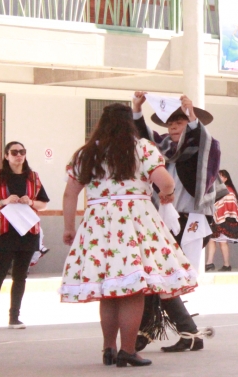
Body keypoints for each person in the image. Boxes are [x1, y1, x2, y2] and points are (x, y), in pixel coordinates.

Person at [60, 104, 197, 366]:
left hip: (98, 223)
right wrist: (166, 195)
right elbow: (166, 182)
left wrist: (68, 227)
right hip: (134, 222)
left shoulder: (87, 153)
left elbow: (70, 193)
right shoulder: (141, 148)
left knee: (109, 288)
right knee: (133, 289)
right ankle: (128, 350)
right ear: (128, 124)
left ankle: (108, 348)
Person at [132, 92, 221, 353]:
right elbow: (145, 138)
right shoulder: (160, 149)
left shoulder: (204, 146)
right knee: (160, 274)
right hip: (164, 220)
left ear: (191, 125)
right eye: (170, 122)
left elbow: (201, 139)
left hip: (191, 219)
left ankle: (151, 330)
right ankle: (188, 333)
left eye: (179, 122)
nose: (172, 126)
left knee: (161, 274)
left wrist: (192, 115)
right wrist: (136, 109)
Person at [0, 142, 50, 331]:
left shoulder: (33, 177)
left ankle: (14, 318)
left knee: (20, 276)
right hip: (2, 233)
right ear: (6, 155)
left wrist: (31, 201)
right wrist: (4, 201)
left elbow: (43, 204)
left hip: (27, 232)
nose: (19, 155)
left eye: (22, 152)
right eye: (14, 152)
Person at [205, 169, 238, 272]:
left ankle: (226, 265)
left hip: (225, 219)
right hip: (216, 217)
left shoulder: (228, 190)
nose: (218, 179)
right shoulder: (215, 189)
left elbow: (229, 204)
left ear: (226, 178)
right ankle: (209, 263)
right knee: (212, 240)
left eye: (221, 177)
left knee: (222, 242)